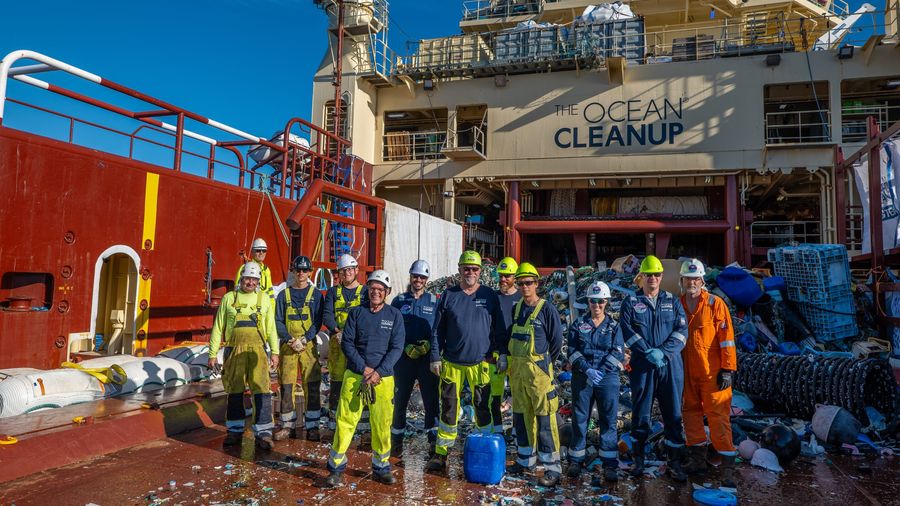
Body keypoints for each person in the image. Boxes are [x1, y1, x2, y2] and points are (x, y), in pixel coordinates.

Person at [425, 250, 505, 472]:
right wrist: (435, 357)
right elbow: (437, 331)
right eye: (466, 269)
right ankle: (441, 453)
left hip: (481, 364)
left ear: (480, 271)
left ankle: (485, 449)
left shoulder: (489, 295)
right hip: (452, 363)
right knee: (449, 408)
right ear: (459, 270)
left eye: (474, 269)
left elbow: (498, 328)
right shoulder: (448, 295)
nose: (470, 272)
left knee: (483, 407)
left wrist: (501, 353)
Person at [324, 270, 405, 488]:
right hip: (355, 376)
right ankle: (335, 468)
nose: (376, 292)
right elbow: (347, 343)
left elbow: (397, 347)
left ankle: (381, 467)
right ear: (367, 289)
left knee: (382, 424)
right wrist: (364, 369)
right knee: (345, 421)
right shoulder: (356, 313)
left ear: (387, 292)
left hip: (383, 379)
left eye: (380, 289)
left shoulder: (394, 315)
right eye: (372, 288)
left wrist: (378, 372)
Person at [620, 255, 689, 482]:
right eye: (648, 274)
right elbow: (627, 331)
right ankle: (638, 460)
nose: (653, 278)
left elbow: (682, 332)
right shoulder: (630, 302)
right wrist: (647, 351)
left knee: (673, 414)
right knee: (641, 413)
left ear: (661, 276)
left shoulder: (673, 301)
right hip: (643, 366)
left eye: (656, 274)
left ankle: (675, 463)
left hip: (670, 366)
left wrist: (663, 353)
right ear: (641, 277)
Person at [678, 259, 738, 487]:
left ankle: (728, 468)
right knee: (690, 413)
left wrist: (728, 369)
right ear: (682, 281)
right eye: (688, 279)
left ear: (702, 280)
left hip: (713, 373)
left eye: (695, 279)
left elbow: (727, 339)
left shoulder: (715, 304)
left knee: (718, 417)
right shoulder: (678, 304)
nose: (692, 283)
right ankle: (698, 460)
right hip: (687, 371)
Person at [209, 262, 280, 450]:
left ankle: (264, 433)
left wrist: (275, 352)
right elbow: (218, 327)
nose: (250, 282)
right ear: (241, 279)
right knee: (235, 390)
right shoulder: (229, 298)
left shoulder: (264, 299)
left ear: (258, 282)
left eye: (254, 280)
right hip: (234, 350)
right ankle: (234, 431)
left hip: (258, 351)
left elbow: (271, 328)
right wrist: (212, 354)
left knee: (261, 390)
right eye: (248, 279)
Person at [505, 262, 564, 487]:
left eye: (528, 282)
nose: (524, 286)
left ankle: (552, 468)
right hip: (518, 375)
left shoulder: (547, 309)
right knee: (521, 418)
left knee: (545, 421)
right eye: (520, 283)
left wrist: (543, 365)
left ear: (537, 283)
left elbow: (556, 342)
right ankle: (525, 460)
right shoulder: (517, 308)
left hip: (539, 376)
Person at [566, 281, 625, 484]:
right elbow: (572, 351)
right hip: (583, 377)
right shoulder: (578, 324)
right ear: (588, 302)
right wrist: (586, 368)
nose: (597, 305)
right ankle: (576, 459)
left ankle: (609, 464)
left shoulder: (614, 326)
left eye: (601, 301)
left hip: (607, 378)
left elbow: (618, 352)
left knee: (608, 420)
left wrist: (601, 370)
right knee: (579, 418)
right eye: (593, 301)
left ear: (606, 302)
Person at [390, 259, 439, 456]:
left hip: (426, 359)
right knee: (400, 399)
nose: (418, 280)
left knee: (431, 400)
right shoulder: (399, 301)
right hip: (404, 358)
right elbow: (393, 330)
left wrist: (431, 347)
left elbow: (438, 330)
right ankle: (396, 440)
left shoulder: (434, 301)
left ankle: (433, 440)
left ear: (427, 280)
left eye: (422, 277)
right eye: (415, 276)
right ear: (410, 276)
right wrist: (404, 346)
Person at [273, 255, 325, 441]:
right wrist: (289, 339)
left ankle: (312, 426)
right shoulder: (283, 295)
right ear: (293, 272)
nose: (301, 273)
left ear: (310, 272)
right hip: (288, 346)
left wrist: (305, 339)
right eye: (298, 270)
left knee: (312, 385)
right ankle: (287, 426)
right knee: (287, 385)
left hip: (307, 345)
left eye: (305, 270)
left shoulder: (316, 295)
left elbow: (318, 321)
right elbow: (278, 321)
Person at [322, 253, 369, 435]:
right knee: (337, 384)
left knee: (360, 382)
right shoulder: (333, 292)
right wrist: (336, 331)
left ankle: (363, 429)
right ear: (339, 274)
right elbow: (327, 315)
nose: (347, 273)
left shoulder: (365, 292)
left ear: (356, 270)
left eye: (350, 269)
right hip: (338, 345)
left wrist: (352, 335)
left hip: (358, 345)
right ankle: (334, 427)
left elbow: (368, 316)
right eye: (343, 271)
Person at [491, 256, 521, 435]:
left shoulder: (522, 298)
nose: (503, 279)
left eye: (507, 276)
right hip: (496, 354)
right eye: (500, 275)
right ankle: (497, 432)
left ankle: (517, 432)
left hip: (516, 355)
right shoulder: (493, 298)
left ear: (514, 277)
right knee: (495, 396)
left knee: (518, 394)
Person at [235, 238, 275, 303]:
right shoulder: (244, 268)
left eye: (264, 251)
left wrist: (272, 307)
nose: (261, 253)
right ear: (252, 251)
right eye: (258, 250)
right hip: (249, 304)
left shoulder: (266, 270)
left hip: (264, 305)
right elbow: (237, 289)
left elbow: (270, 293)